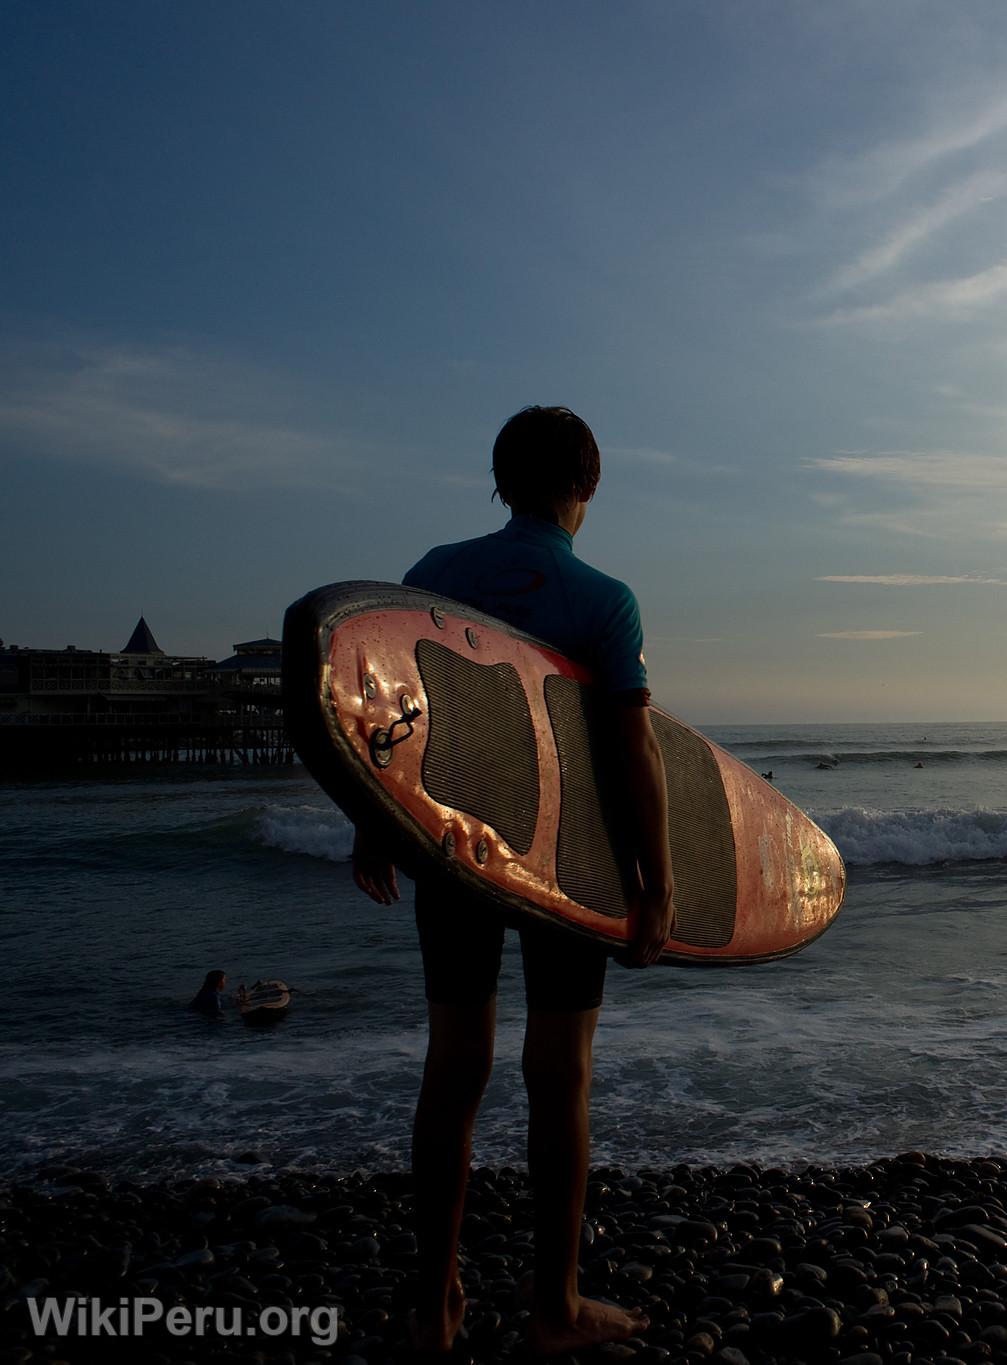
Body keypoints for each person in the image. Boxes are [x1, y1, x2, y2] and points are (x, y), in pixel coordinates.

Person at [348, 406, 674, 1357]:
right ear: (591, 485)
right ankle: (553, 1307)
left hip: (455, 850)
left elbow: (386, 708)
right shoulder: (603, 599)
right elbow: (633, 749)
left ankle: (436, 1303)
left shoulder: (432, 575)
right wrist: (654, 884)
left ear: (498, 481)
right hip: (566, 863)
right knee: (558, 1073)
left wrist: (378, 821)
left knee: (454, 1066)